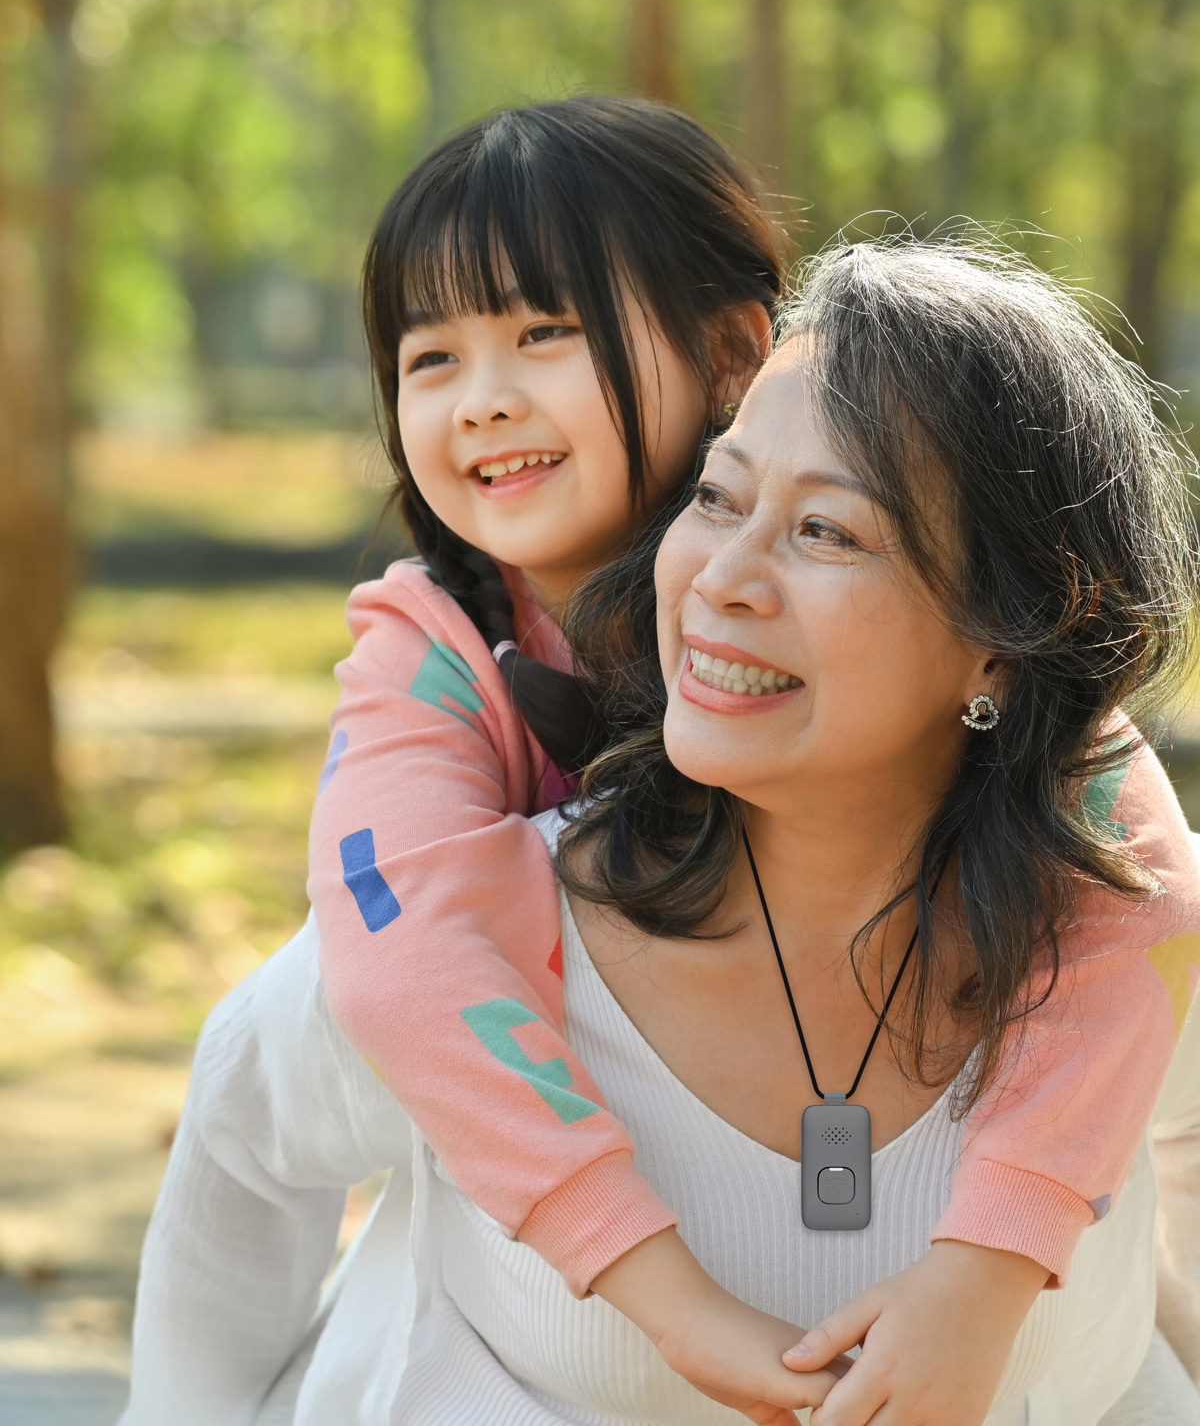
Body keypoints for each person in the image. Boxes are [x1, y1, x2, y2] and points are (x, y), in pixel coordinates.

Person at [123, 232, 1200, 1426]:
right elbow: (240, 1115)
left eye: (827, 531)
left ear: (1006, 634)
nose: (722, 577)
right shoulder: (480, 940)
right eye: (717, 497)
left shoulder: (1120, 946)